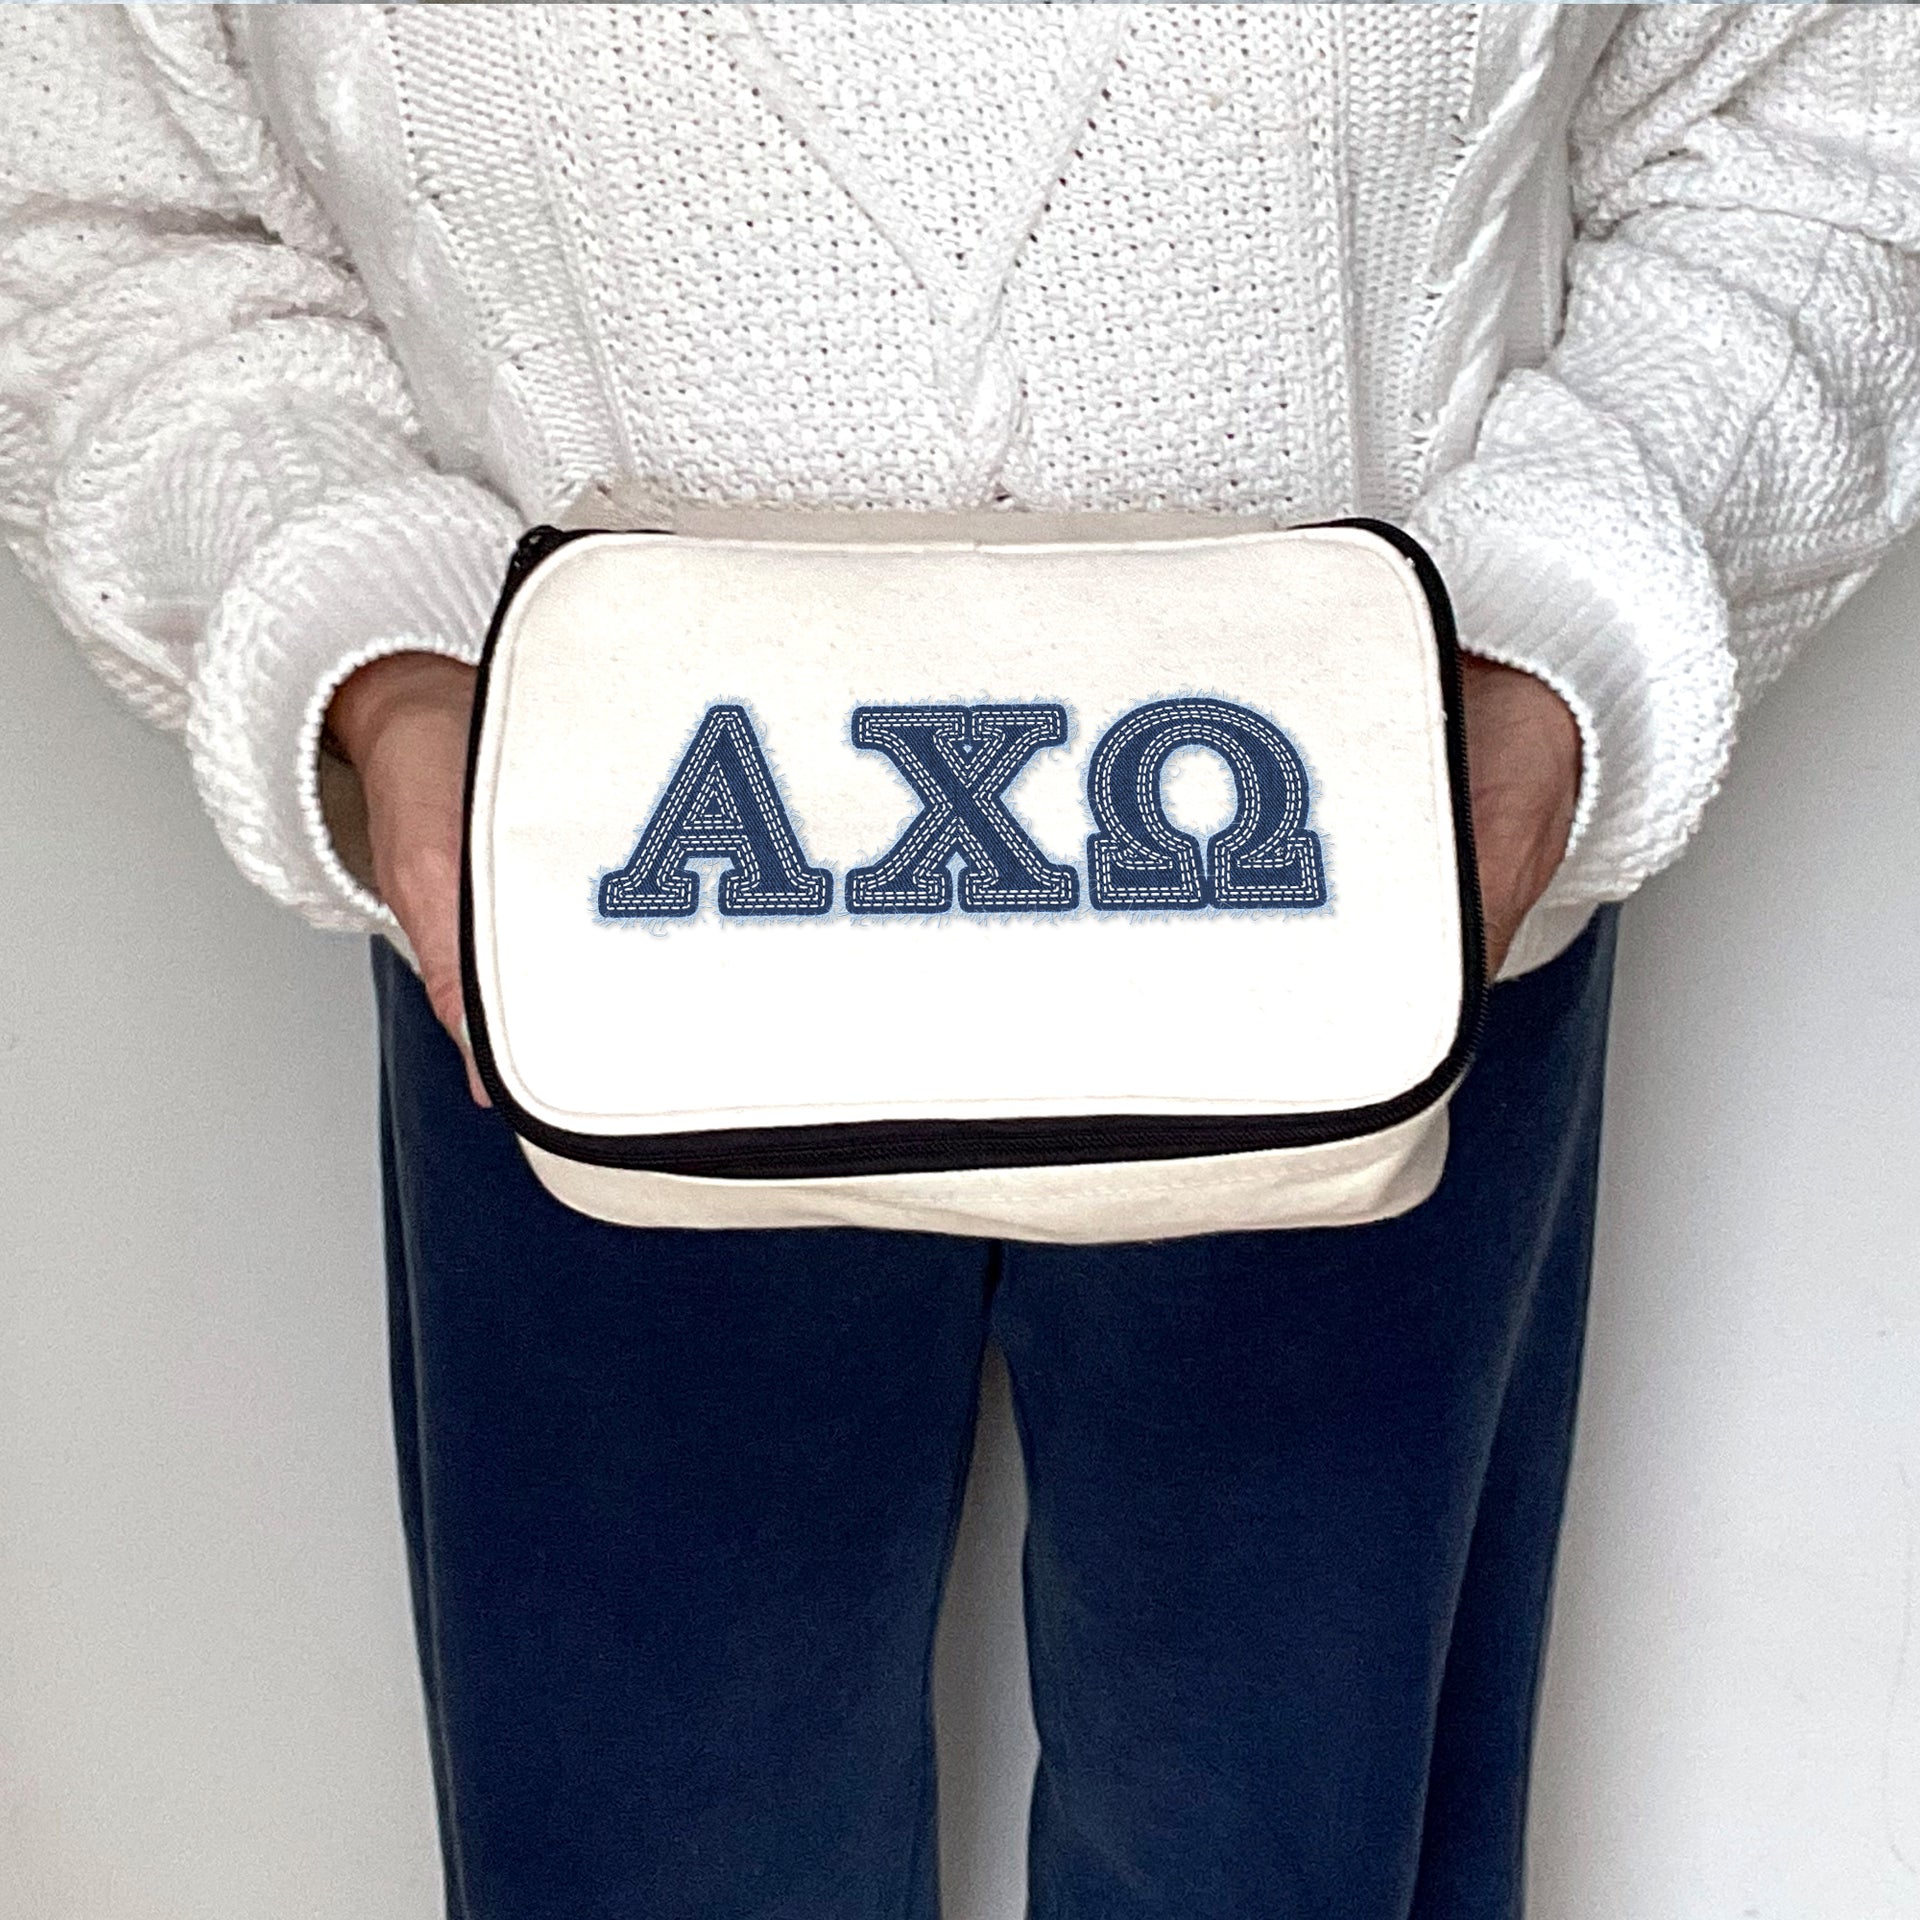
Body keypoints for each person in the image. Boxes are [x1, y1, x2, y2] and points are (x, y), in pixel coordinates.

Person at [4, 5, 1915, 1915]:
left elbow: (1833, 107)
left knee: (1293, 1851)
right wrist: (379, 656)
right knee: (654, 1851)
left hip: (1376, 874)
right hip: (602, 907)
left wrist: (1559, 639)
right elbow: (96, 200)